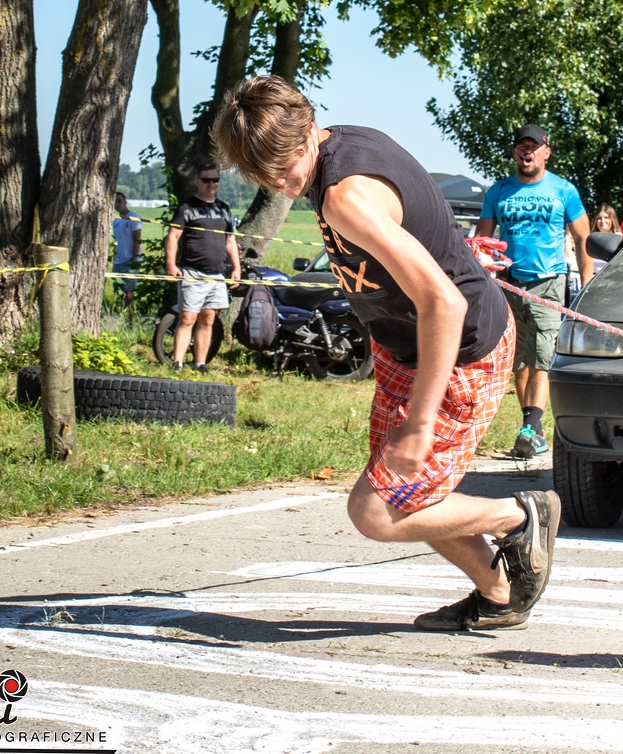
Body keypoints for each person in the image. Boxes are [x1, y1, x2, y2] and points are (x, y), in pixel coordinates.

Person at [213, 75, 560, 632]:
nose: (282, 182)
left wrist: (420, 422)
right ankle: (500, 594)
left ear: (307, 126)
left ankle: (518, 516)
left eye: (285, 166)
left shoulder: (346, 196)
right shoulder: (342, 142)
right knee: (406, 490)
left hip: (459, 352)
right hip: (405, 349)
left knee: (377, 511)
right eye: (266, 175)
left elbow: (444, 303)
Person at [475, 124, 591, 458]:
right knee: (520, 359)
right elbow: (482, 241)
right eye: (522, 147)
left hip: (548, 282)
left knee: (542, 354)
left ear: (546, 152)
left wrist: (586, 286)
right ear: (515, 152)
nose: (527, 153)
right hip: (509, 283)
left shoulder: (564, 190)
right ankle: (533, 429)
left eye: (534, 147)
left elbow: (583, 238)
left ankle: (529, 427)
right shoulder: (498, 191)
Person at [164, 163, 240, 373]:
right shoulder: (187, 207)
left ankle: (200, 363)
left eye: (215, 180)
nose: (211, 184)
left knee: (208, 318)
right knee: (187, 318)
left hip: (217, 274)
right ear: (197, 181)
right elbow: (173, 236)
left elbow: (230, 241)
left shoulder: (223, 209)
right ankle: (177, 363)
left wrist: (236, 268)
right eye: (206, 180)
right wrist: (170, 264)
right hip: (192, 272)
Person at [111, 191, 142, 306]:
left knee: (129, 289)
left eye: (119, 201)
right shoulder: (116, 220)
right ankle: (121, 309)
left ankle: (129, 310)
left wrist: (134, 258)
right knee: (118, 288)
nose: (117, 204)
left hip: (130, 259)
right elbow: (116, 240)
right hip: (119, 260)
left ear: (125, 202)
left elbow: (137, 239)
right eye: (115, 202)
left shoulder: (133, 217)